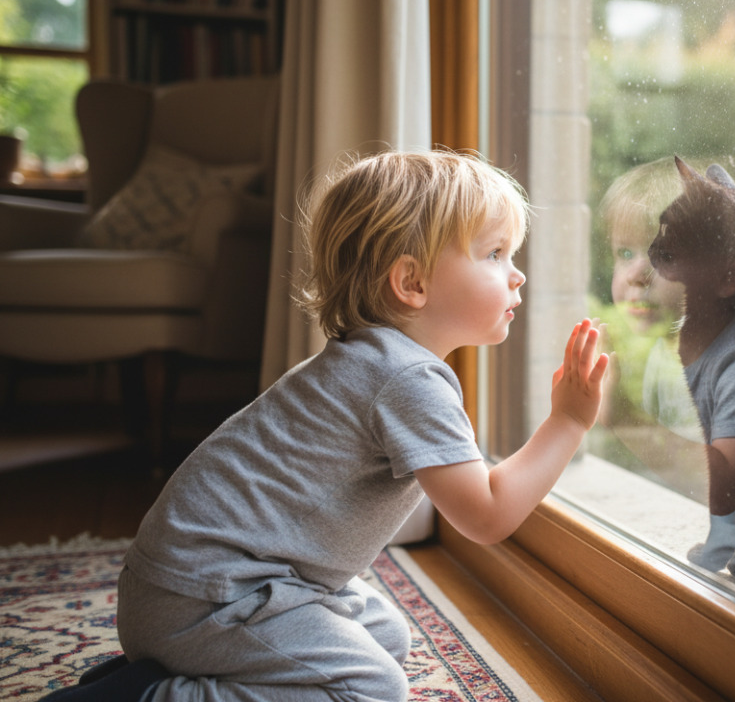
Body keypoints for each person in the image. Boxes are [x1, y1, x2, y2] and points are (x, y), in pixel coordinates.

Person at [42, 150, 608, 702]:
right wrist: (567, 422)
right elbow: (485, 516)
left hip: (185, 588)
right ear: (411, 282)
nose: (517, 274)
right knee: (371, 688)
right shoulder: (407, 380)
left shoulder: (371, 360)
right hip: (205, 597)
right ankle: (152, 691)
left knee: (388, 640)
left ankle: (171, 665)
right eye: (495, 254)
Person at [596, 157, 735, 572]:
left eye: (664, 255)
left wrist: (619, 420)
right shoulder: (668, 347)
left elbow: (707, 476)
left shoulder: (720, 359)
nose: (638, 274)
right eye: (625, 253)